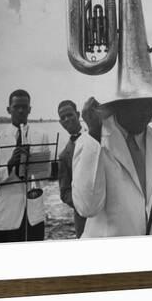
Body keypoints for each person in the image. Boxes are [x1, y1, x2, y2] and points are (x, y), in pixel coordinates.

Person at [72, 97, 152, 238]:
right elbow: (87, 207)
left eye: (149, 106)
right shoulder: (92, 142)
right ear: (119, 106)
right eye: (137, 106)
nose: (144, 114)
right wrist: (95, 133)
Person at [0, 89, 51, 243]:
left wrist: (31, 166)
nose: (21, 110)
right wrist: (9, 166)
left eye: (24, 107)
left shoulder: (42, 136)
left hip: (34, 217)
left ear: (30, 109)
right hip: (5, 218)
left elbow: (46, 175)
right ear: (9, 110)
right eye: (16, 107)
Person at [57, 100, 86, 238]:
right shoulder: (63, 156)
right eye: (63, 118)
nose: (67, 119)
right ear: (60, 123)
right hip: (84, 218)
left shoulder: (98, 136)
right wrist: (83, 203)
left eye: (70, 115)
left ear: (78, 114)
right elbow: (65, 192)